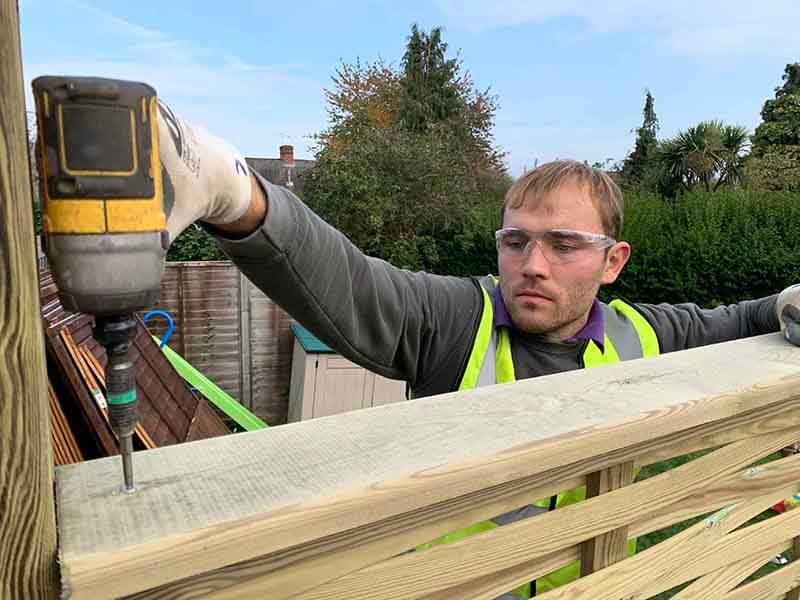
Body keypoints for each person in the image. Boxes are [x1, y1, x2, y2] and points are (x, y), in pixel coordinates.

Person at [156, 102, 800, 598]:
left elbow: (741, 319)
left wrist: (784, 303)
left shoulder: (643, 332)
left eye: (564, 244)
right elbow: (354, 285)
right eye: (515, 241)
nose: (532, 265)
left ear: (613, 261)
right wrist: (238, 195)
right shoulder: (460, 320)